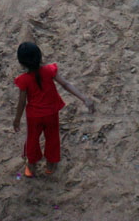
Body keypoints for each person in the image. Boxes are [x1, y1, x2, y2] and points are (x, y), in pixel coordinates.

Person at [13, 41, 94, 178]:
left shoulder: (23, 80)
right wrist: (84, 98)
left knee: (32, 139)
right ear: (40, 56)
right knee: (52, 138)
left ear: (22, 63)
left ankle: (31, 165)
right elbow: (66, 84)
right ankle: (51, 163)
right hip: (51, 113)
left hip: (34, 117)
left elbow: (21, 102)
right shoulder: (49, 70)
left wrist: (17, 120)